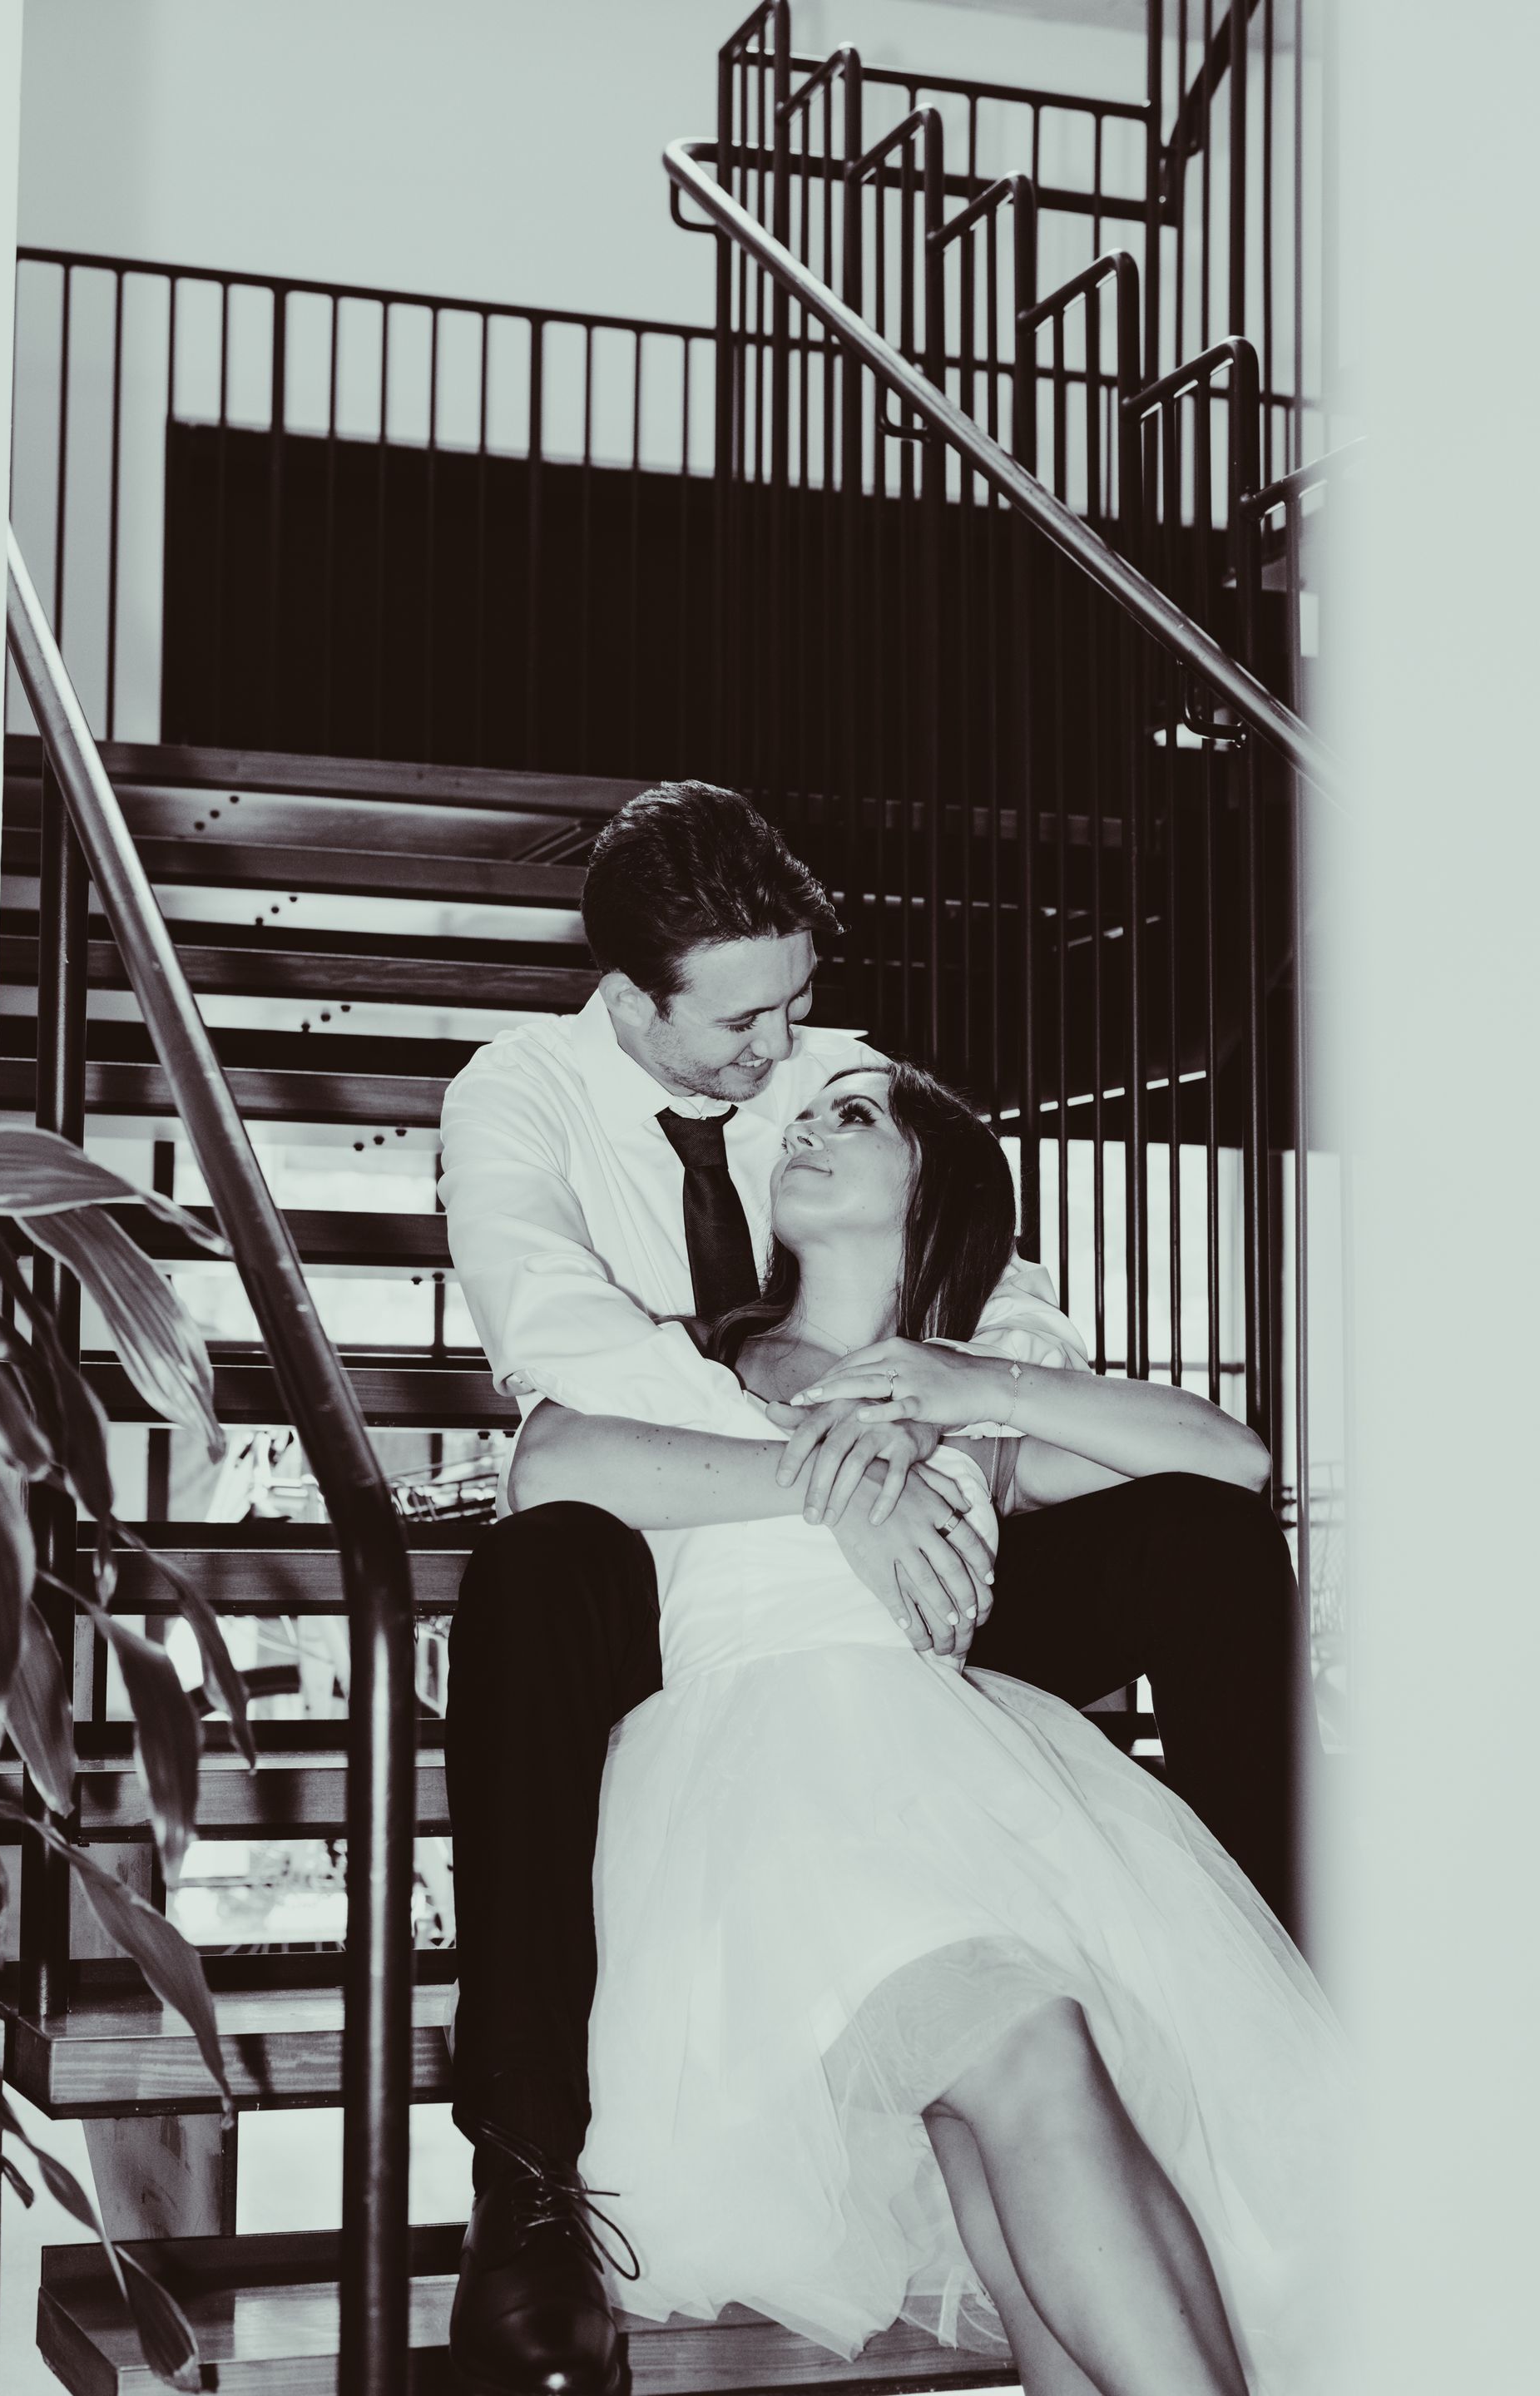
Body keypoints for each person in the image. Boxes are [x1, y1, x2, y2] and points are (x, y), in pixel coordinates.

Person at [437, 784, 1315, 2395]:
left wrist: (957, 1395)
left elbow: (1176, 1422)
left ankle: (1290, 1964)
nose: (794, 1068)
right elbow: (558, 1388)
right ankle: (525, 2176)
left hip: (937, 1716)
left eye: (807, 1023)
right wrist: (822, 1465)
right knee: (1028, 2065)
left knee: (1022, 2110)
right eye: (746, 1027)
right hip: (747, 1698)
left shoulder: (831, 1092)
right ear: (633, 1000)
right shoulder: (527, 1103)